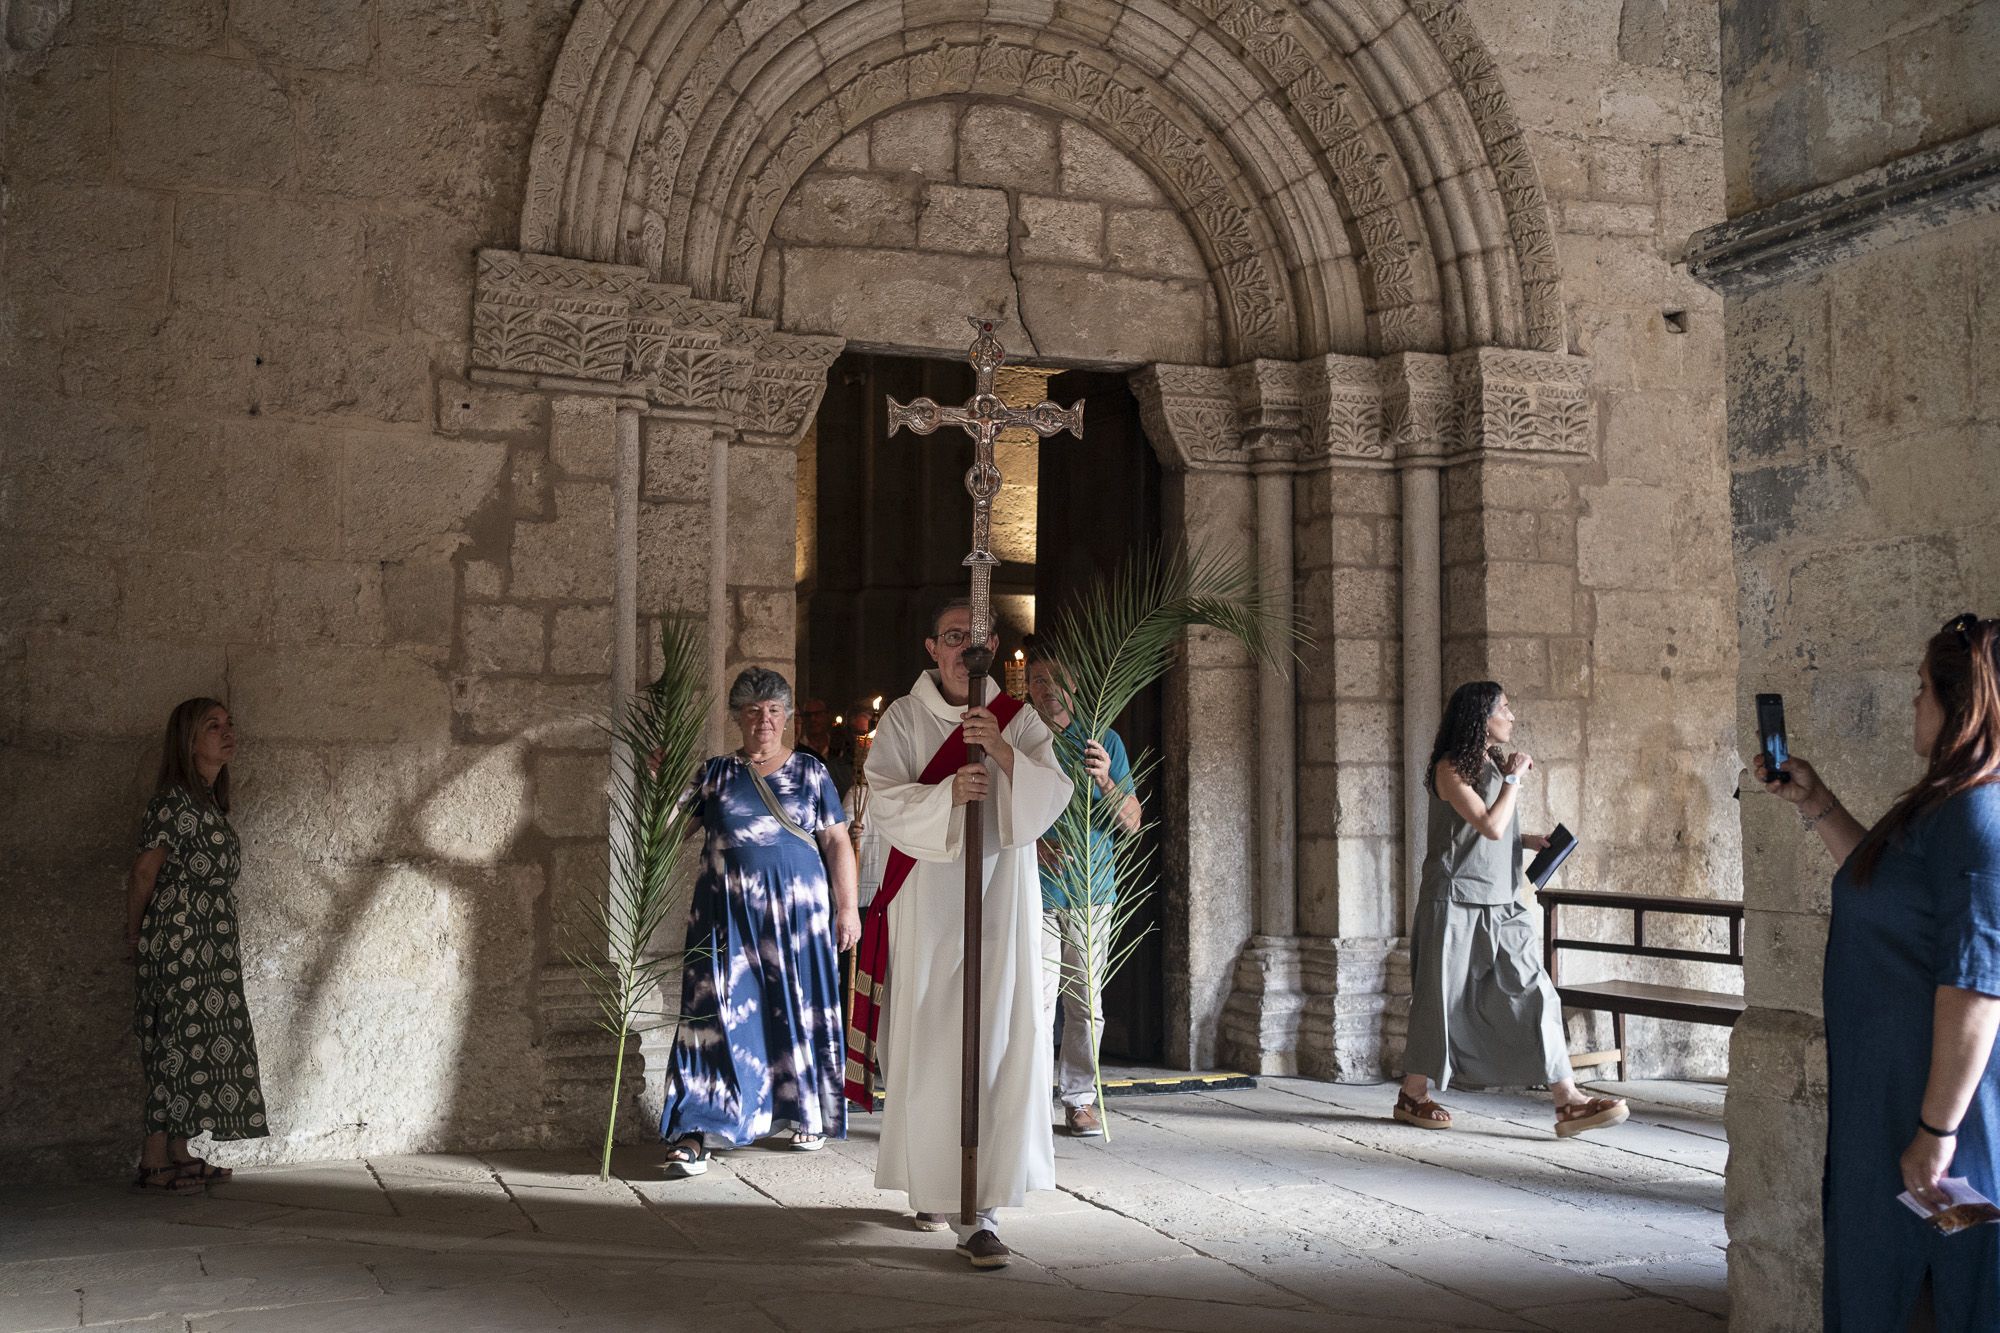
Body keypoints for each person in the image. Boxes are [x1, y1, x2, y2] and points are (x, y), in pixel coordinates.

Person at [1761, 613, 2000, 1330]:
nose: (1912, 703)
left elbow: (1977, 987)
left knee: (1947, 1293)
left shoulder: (1979, 817)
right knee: (1878, 1285)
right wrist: (1818, 802)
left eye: (1921, 689)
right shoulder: (1945, 805)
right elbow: (1889, 894)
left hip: (1940, 1115)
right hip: (1891, 1099)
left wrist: (1936, 1129)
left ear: (1958, 705)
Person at [856, 598, 1072, 1268]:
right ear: (932, 647)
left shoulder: (1018, 719)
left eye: (977, 639)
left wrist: (1003, 751)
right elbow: (884, 799)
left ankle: (980, 1208)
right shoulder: (905, 716)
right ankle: (935, 1180)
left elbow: (1052, 793)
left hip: (1001, 896)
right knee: (932, 1039)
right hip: (931, 902)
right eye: (954, 638)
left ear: (993, 646)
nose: (965, 650)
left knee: (995, 1036)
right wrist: (948, 793)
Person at [1394, 681, 1627, 1138]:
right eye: (1504, 708)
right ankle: (1414, 1093)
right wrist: (1515, 780)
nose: (1512, 716)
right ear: (1481, 717)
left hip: (1502, 902)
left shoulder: (1488, 765)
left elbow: (1493, 827)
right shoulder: (1448, 770)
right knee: (1440, 1001)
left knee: (1537, 992)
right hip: (1456, 900)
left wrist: (1531, 840)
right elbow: (1487, 825)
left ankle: (1568, 1101)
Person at [661, 668, 861, 1176]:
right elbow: (665, 834)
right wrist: (659, 783)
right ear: (737, 718)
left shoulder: (812, 774)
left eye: (773, 711)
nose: (763, 721)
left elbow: (836, 841)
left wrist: (845, 909)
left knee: (798, 1008)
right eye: (752, 711)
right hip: (726, 919)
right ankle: (701, 1128)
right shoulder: (715, 774)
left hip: (799, 918)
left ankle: (804, 1111)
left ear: (788, 716)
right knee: (719, 1015)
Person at [127, 698, 268, 1193]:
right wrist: (134, 935)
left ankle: (181, 1149)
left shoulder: (206, 801)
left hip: (211, 945)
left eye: (230, 724)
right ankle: (152, 1159)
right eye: (214, 726)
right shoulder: (172, 800)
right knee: (173, 1045)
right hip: (180, 940)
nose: (227, 733)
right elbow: (145, 871)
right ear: (188, 741)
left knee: (199, 1048)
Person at [1025, 643, 1140, 1139]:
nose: (1047, 690)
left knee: (1085, 1005)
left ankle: (1079, 1101)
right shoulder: (1022, 743)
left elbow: (1132, 823)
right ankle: (1028, 1102)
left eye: (1056, 680)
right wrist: (1035, 849)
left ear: (1074, 687)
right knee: (1035, 1002)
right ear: (1026, 690)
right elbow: (998, 818)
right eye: (1037, 681)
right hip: (1035, 894)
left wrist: (1107, 780)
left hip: (1092, 894)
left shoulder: (1105, 742)